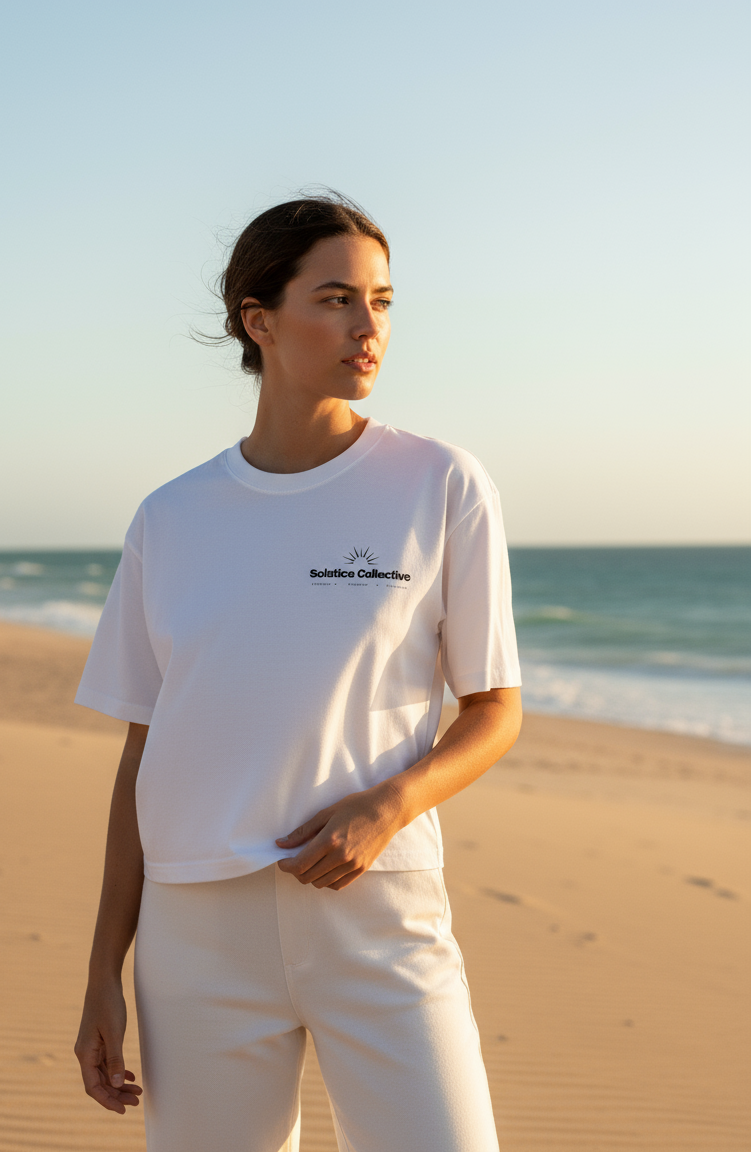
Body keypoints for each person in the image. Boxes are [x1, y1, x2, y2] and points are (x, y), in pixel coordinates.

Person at [73, 193, 522, 1151]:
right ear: (259, 319)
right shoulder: (171, 518)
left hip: (380, 913)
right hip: (196, 935)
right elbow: (142, 755)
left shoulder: (440, 484)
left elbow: (494, 709)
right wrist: (103, 973)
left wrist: (389, 804)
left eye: (383, 302)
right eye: (337, 299)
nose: (370, 329)